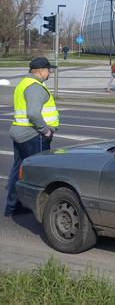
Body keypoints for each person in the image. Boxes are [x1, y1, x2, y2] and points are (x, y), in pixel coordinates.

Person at [5, 57, 59, 216]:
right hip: (33, 135)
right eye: (48, 70)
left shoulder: (23, 83)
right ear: (41, 70)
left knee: (19, 171)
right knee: (38, 173)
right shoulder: (35, 87)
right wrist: (46, 131)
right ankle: (39, 210)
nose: (50, 72)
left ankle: (13, 207)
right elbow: (34, 113)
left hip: (20, 133)